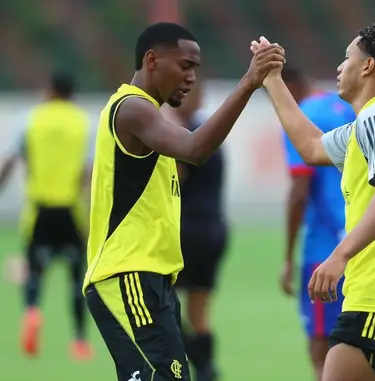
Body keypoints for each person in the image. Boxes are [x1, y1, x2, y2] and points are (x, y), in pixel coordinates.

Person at [82, 22, 284, 381]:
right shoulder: (131, 108)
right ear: (152, 60)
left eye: (196, 68)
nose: (191, 77)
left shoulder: (149, 116)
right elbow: (195, 149)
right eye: (185, 65)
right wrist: (249, 83)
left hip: (152, 279)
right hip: (128, 277)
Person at [252, 22, 375, 381]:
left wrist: (338, 256)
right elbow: (311, 147)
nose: (339, 67)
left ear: (368, 66)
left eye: (347, 57)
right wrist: (272, 78)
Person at [0, 72, 93, 360]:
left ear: (50, 91)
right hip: (71, 211)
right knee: (77, 278)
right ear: (72, 94)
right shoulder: (82, 124)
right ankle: (79, 343)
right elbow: (88, 172)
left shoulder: (31, 120)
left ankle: (31, 312)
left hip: (39, 209)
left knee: (35, 272)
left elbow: (11, 161)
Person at [278, 63, 355, 381]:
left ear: (288, 86)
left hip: (324, 249)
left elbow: (299, 192)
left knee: (322, 348)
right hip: (361, 240)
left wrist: (287, 256)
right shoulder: (346, 109)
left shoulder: (302, 117)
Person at [161, 82, 228, 381]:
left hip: (185, 231)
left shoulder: (181, 137)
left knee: (163, 307)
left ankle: (183, 369)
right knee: (199, 312)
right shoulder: (209, 134)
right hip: (214, 228)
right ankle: (207, 371)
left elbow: (176, 177)